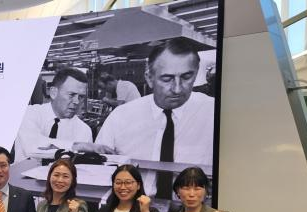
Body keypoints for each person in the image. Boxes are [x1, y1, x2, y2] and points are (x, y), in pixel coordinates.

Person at [92, 39, 215, 198]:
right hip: (133, 205)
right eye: (167, 79)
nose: (177, 89)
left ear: (196, 74)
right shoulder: (120, 117)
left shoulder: (214, 113)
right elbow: (98, 170)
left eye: (186, 77)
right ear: (149, 78)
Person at [12, 68, 93, 163]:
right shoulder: (29, 114)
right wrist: (74, 146)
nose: (77, 101)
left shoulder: (84, 131)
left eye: (81, 97)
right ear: (53, 93)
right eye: (71, 95)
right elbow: (33, 146)